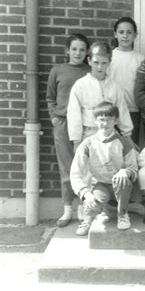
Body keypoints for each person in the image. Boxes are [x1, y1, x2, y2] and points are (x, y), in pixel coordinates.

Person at [70, 102, 138, 236]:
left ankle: (122, 214)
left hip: (120, 184)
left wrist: (125, 171)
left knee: (122, 180)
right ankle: (88, 220)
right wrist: (86, 194)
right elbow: (75, 173)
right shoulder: (88, 144)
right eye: (101, 119)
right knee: (93, 199)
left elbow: (134, 168)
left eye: (109, 119)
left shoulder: (123, 142)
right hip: (100, 184)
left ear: (116, 121)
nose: (105, 123)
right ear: (95, 120)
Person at [46, 33, 90, 227]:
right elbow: (50, 97)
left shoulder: (90, 71)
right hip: (63, 123)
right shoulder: (58, 71)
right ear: (67, 51)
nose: (78, 53)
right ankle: (67, 209)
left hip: (85, 124)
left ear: (87, 52)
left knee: (84, 166)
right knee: (66, 167)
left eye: (82, 49)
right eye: (74, 49)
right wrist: (54, 118)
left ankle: (83, 206)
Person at [67, 41, 133, 150]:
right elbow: (74, 115)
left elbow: (122, 111)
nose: (99, 67)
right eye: (96, 62)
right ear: (89, 61)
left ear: (109, 62)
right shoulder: (80, 85)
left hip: (111, 135)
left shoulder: (115, 86)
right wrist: (76, 141)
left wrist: (127, 136)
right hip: (88, 134)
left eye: (104, 63)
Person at [109, 17, 145, 145]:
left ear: (135, 35)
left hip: (132, 110)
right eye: (121, 32)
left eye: (129, 32)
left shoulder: (140, 59)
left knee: (129, 147)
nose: (125, 36)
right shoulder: (109, 57)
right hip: (111, 109)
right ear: (115, 34)